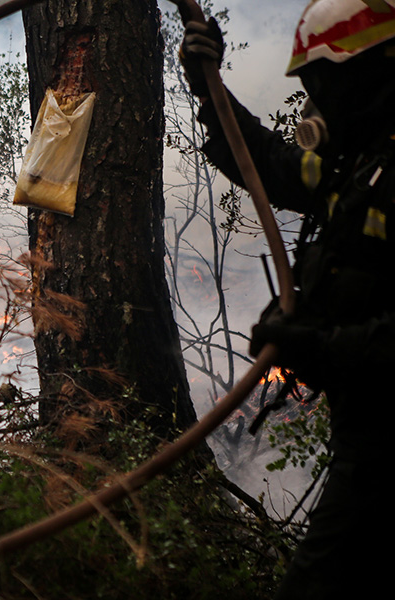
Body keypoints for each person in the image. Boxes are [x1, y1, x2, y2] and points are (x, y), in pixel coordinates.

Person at [180, 1, 395, 598]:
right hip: (364, 429)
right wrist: (208, 87)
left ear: (367, 72)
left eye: (321, 84)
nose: (314, 103)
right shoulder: (356, 166)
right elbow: (269, 163)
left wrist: (322, 345)